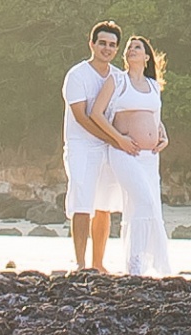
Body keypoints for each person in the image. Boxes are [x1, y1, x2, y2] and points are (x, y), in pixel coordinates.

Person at [89, 35, 172, 277]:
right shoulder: (117, 81)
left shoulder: (153, 86)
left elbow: (155, 120)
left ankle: (147, 267)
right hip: (124, 152)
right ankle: (135, 266)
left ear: (147, 57)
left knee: (151, 208)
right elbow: (96, 113)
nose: (131, 50)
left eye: (137, 47)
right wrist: (119, 138)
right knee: (143, 202)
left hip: (149, 157)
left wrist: (163, 136)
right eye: (129, 48)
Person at [62, 21, 124, 273]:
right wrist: (114, 139)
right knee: (82, 201)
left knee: (104, 204)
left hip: (108, 148)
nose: (106, 49)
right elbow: (81, 116)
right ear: (92, 44)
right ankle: (80, 263)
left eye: (112, 45)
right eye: (102, 43)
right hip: (81, 146)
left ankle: (98, 263)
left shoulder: (119, 77)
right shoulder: (77, 75)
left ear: (117, 49)